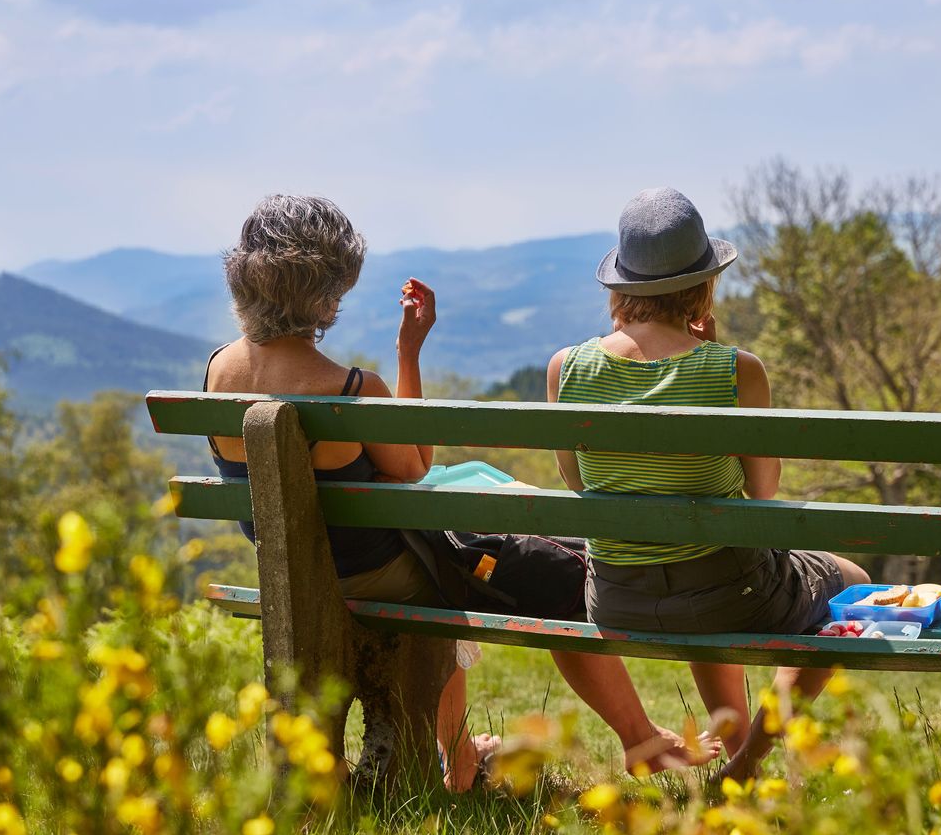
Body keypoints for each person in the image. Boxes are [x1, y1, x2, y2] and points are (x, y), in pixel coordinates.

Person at [207, 194, 712, 789]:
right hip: (377, 573)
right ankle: (628, 741)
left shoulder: (219, 370)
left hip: (292, 573)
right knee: (556, 576)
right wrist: (408, 352)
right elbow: (417, 466)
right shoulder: (348, 386)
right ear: (328, 291)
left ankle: (465, 754)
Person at [547, 186, 871, 782]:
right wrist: (713, 355)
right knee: (850, 582)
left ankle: (736, 743)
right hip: (728, 593)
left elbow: (576, 479)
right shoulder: (736, 369)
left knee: (717, 571)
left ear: (621, 287)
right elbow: (763, 490)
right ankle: (747, 761)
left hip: (618, 596)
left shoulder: (567, 368)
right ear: (702, 286)